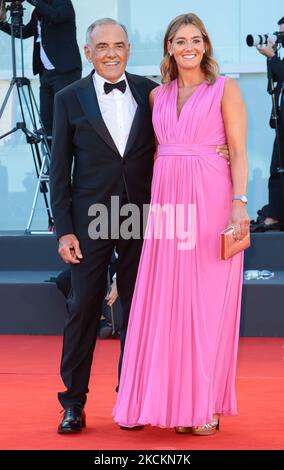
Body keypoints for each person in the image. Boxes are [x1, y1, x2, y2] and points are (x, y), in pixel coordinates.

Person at [50, 17, 230, 434]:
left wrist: (215, 149)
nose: (111, 53)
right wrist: (64, 229)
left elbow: (179, 136)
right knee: (82, 310)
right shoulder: (68, 98)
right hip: (90, 219)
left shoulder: (153, 93)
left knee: (140, 311)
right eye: (103, 46)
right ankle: (73, 403)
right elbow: (59, 169)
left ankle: (129, 398)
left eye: (119, 45)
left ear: (129, 49)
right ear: (87, 52)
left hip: (144, 217)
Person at [113, 13, 249, 436]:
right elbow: (155, 154)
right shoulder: (158, 97)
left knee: (206, 305)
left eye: (196, 39)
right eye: (179, 40)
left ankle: (202, 405)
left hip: (210, 198)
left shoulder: (226, 89)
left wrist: (239, 203)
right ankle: (160, 401)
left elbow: (240, 151)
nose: (188, 46)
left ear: (205, 45)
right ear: (169, 47)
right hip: (168, 202)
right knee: (165, 299)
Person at [0, 0, 82, 137]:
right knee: (46, 122)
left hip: (65, 71)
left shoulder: (63, 4)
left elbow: (56, 16)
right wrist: (2, 24)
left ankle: (68, 155)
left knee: (64, 119)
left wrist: (35, 2)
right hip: (46, 73)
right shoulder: (38, 12)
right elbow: (23, 33)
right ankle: (50, 155)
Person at [252, 16, 284, 231]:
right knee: (277, 170)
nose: (281, 37)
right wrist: (272, 58)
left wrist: (273, 58)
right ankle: (275, 213)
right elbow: (274, 84)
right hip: (281, 126)